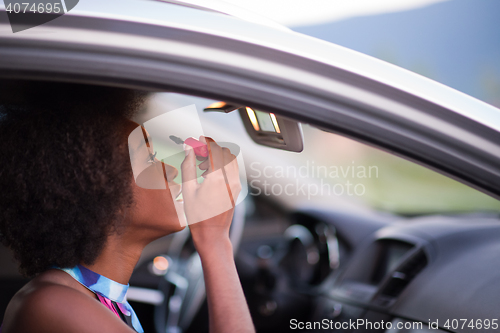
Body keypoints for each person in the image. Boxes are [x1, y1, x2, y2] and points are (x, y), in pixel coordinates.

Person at [0, 81, 255, 333]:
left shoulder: (96, 299)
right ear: (99, 191)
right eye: (151, 158)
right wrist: (215, 243)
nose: (170, 168)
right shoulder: (56, 304)